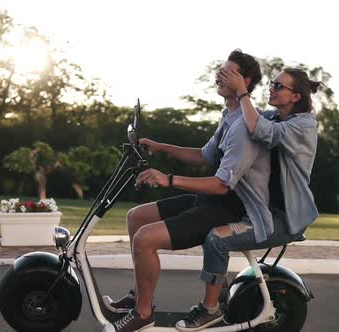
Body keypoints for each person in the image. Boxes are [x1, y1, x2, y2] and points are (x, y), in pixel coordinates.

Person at [103, 50, 270, 332]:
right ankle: (138, 297)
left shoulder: (244, 126)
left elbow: (221, 183)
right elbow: (204, 155)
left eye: (227, 71)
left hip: (227, 207)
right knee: (136, 217)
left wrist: (168, 179)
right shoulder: (229, 115)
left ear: (245, 80)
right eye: (220, 69)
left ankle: (144, 314)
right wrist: (161, 146)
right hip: (211, 200)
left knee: (145, 239)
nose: (218, 74)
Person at [175, 67, 321, 331]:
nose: (272, 88)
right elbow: (242, 120)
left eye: (279, 86)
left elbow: (257, 128)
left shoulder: (303, 126)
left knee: (217, 238)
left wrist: (242, 91)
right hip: (261, 211)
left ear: (296, 97)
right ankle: (219, 299)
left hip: (283, 219)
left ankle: (209, 310)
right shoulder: (275, 116)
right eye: (272, 84)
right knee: (213, 230)